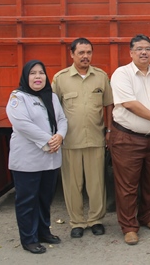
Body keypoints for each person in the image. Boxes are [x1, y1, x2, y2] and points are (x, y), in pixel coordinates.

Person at [109, 34, 150, 246]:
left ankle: (147, 217)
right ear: (131, 52)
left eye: (147, 48)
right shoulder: (122, 74)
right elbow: (130, 104)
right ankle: (129, 227)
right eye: (139, 49)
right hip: (127, 138)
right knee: (127, 185)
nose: (144, 52)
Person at [52, 38, 113, 238]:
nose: (85, 56)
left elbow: (109, 105)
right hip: (70, 140)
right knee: (72, 184)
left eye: (88, 52)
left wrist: (110, 131)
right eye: (81, 52)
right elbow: (53, 109)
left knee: (96, 183)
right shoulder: (60, 79)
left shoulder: (101, 77)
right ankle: (76, 222)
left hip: (95, 138)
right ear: (72, 54)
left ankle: (96, 220)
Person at [6, 60, 68, 254]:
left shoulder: (51, 96)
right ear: (26, 76)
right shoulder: (18, 97)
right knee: (27, 200)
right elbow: (22, 124)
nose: (38, 77)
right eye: (33, 73)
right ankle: (29, 238)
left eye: (41, 73)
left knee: (44, 198)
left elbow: (62, 119)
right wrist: (49, 140)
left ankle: (43, 231)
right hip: (27, 160)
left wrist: (60, 135)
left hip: (50, 159)